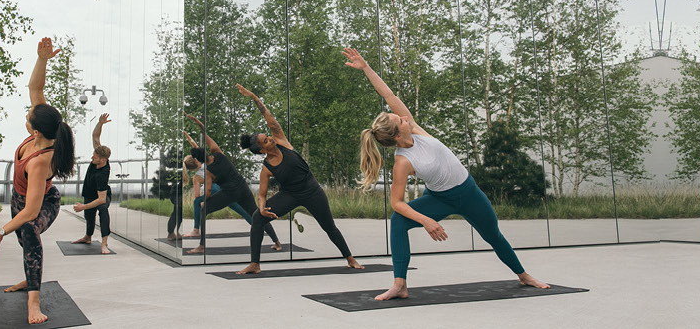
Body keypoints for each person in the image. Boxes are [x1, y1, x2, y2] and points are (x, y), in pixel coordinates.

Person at [345, 48, 549, 301]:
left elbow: (388, 94)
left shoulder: (415, 130)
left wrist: (366, 68)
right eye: (399, 119)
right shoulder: (402, 161)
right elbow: (396, 203)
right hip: (439, 198)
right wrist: (426, 220)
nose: (403, 117)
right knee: (398, 222)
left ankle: (523, 275)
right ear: (397, 135)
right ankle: (400, 284)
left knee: (493, 235)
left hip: (468, 193)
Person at [0, 37, 77, 325]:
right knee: (25, 240)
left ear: (35, 131)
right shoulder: (45, 123)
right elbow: (36, 88)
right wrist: (43, 59)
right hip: (19, 200)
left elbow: (31, 212)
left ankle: (34, 301)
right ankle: (30, 279)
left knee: (29, 234)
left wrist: (0, 231)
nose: (27, 115)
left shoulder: (40, 162)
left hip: (41, 203)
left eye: (28, 117)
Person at [233, 84, 362, 275]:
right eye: (266, 140)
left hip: (312, 191)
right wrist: (261, 207)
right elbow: (261, 194)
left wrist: (253, 97)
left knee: (329, 227)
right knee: (257, 218)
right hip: (290, 195)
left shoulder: (282, 141)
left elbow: (268, 116)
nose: (270, 138)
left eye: (268, 136)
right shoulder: (266, 168)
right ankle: (255, 264)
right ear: (262, 150)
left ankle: (350, 259)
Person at [180, 114, 282, 254]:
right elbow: (205, 134)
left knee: (204, 210)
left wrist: (204, 202)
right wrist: (197, 122)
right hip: (243, 187)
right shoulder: (217, 152)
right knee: (256, 213)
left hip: (229, 193)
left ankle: (201, 246)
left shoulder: (208, 172)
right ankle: (277, 242)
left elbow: (208, 192)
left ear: (199, 160)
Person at [70, 114, 113, 254]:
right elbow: (95, 136)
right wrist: (100, 123)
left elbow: (101, 199)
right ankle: (87, 237)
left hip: (101, 195)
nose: (91, 158)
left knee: (103, 210)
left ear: (102, 160)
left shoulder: (102, 175)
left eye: (94, 157)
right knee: (89, 216)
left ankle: (104, 243)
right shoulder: (100, 153)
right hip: (89, 193)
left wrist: (82, 206)